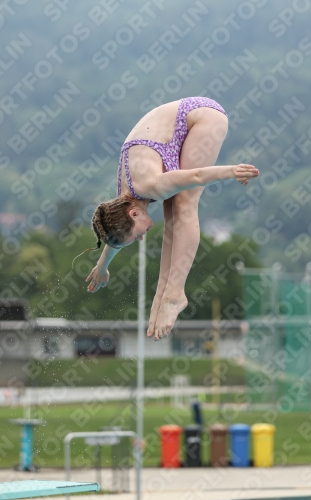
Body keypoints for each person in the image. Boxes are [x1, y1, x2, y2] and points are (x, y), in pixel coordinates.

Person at [86, 97, 259, 340]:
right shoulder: (121, 204)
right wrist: (102, 267)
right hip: (165, 135)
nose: (142, 237)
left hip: (203, 117)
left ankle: (175, 293)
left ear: (133, 213)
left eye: (137, 235)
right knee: (171, 215)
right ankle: (162, 294)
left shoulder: (151, 185)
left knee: (183, 203)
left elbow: (198, 176)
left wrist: (234, 171)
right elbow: (115, 233)